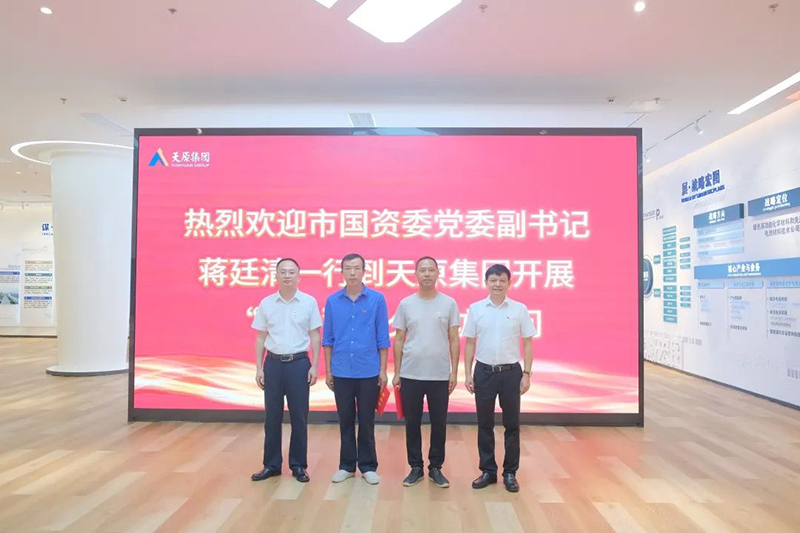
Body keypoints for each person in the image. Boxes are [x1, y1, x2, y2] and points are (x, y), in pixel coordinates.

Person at [463, 264, 535, 493]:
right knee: (484, 424)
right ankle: (488, 471)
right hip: (483, 372)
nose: (497, 284)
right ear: (486, 283)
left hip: (511, 373)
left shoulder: (519, 309)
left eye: (502, 280)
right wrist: (467, 373)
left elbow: (527, 342)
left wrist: (526, 374)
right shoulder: (476, 309)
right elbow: (470, 342)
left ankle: (510, 473)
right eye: (493, 280)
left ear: (509, 283)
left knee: (511, 424)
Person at [251, 258, 322, 483]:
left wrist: (315, 365)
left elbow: (315, 335)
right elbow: (260, 337)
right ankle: (271, 465)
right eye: (283, 272)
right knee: (271, 416)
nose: (287, 275)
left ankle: (298, 465)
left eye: (292, 272)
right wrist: (259, 367)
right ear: (276, 276)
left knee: (299, 416)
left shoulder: (308, 302)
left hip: (299, 364)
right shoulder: (267, 303)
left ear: (299, 276)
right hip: (273, 364)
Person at [392, 257, 460, 488]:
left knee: (439, 423)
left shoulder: (449, 303)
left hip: (439, 374)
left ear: (438, 273)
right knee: (412, 423)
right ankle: (416, 467)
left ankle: (436, 467)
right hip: (411, 373)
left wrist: (454, 372)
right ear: (416, 274)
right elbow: (399, 339)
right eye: (423, 270)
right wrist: (397, 371)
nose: (427, 274)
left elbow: (454, 339)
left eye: (431, 270)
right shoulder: (406, 304)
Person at [323, 253, 390, 485]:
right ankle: (347, 466)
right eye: (348, 268)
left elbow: (382, 337)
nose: (352, 273)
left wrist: (383, 370)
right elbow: (328, 338)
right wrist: (328, 371)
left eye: (357, 268)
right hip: (341, 370)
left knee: (366, 420)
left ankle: (368, 466)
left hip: (368, 370)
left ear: (364, 271)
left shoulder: (376, 300)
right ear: (341, 272)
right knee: (345, 420)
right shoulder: (333, 301)